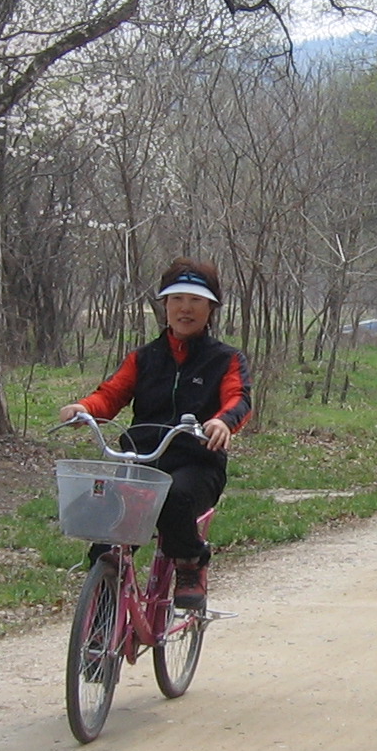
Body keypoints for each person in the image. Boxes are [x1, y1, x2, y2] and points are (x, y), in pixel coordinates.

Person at [62, 258, 252, 610]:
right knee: (107, 541)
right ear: (164, 306)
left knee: (176, 499)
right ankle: (100, 625)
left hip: (196, 464)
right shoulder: (144, 358)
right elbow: (111, 394)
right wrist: (85, 409)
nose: (185, 308)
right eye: (177, 298)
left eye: (196, 300)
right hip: (141, 463)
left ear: (211, 308)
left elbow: (238, 399)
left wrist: (223, 422)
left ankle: (191, 563)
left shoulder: (225, 359)